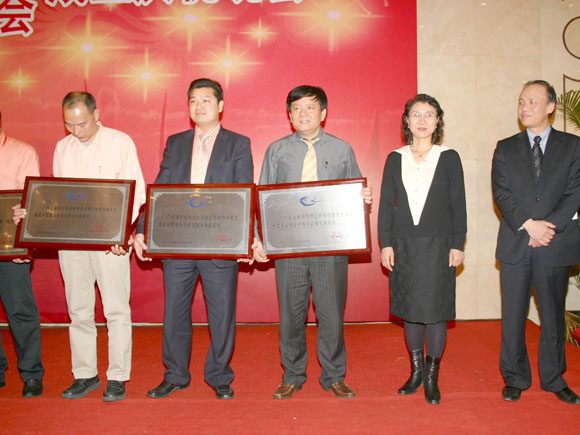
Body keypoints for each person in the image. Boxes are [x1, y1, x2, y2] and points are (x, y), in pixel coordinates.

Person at [15, 92, 146, 402]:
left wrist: (120, 234)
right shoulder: (63, 147)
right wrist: (34, 213)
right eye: (69, 125)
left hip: (109, 243)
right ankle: (85, 373)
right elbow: (61, 196)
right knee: (78, 309)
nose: (77, 131)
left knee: (116, 309)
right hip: (72, 241)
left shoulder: (120, 142)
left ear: (96, 114)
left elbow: (136, 192)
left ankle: (117, 376)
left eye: (82, 124)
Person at [132, 78, 253, 400]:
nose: (199, 106)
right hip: (178, 244)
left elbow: (245, 193)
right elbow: (160, 190)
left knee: (222, 314)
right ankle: (175, 375)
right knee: (174, 312)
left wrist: (248, 238)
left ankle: (219, 375)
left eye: (206, 100)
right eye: (193, 101)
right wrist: (142, 229)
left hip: (220, 245)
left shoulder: (238, 144)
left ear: (220, 106)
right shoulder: (176, 143)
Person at [252, 85, 372, 400]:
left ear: (323, 113)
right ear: (289, 115)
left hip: (330, 248)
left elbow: (354, 192)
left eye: (310, 107)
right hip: (289, 248)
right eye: (297, 108)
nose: (303, 113)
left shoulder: (342, 149)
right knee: (291, 316)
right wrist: (259, 238)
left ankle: (334, 376)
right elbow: (263, 198)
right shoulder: (277, 150)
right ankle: (292, 375)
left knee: (331, 315)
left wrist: (363, 197)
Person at [492, 80, 580, 405]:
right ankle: (515, 377)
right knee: (513, 315)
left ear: (551, 107)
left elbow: (575, 191)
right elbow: (501, 192)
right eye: (521, 101)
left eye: (532, 101)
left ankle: (554, 378)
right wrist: (530, 225)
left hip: (554, 243)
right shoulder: (506, 147)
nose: (525, 107)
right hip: (516, 242)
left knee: (552, 315)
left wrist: (548, 228)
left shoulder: (573, 146)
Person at [378, 94, 466, 405]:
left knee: (436, 311)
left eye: (429, 114)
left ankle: (431, 378)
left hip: (439, 244)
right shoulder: (395, 157)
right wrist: (386, 243)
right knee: (411, 311)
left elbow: (458, 205)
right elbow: (386, 205)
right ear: (407, 120)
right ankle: (415, 373)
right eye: (416, 114)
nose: (422, 120)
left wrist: (458, 244)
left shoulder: (449, 157)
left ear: (438, 120)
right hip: (404, 245)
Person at [0, 111, 44, 398]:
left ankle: (31, 374)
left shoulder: (21, 152)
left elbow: (33, 206)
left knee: (20, 311)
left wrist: (24, 245)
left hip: (11, 250)